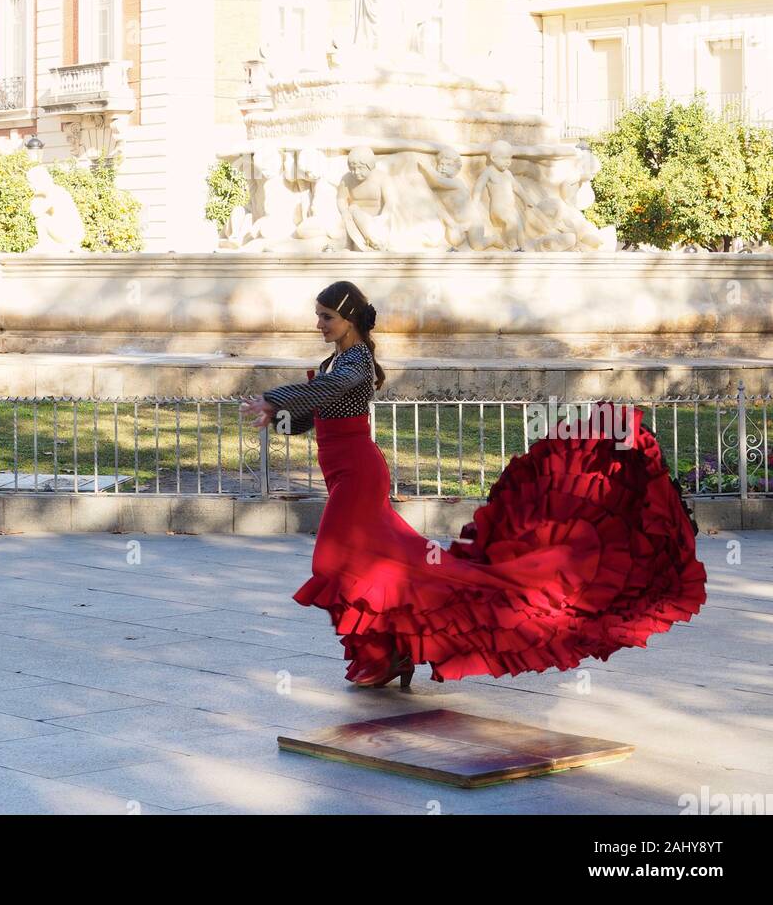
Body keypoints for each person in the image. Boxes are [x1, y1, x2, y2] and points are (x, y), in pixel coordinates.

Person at [241, 281, 707, 689]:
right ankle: (387, 654)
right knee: (376, 563)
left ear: (348, 319)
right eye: (318, 316)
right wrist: (277, 415)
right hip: (344, 471)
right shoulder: (334, 361)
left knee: (332, 561)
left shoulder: (356, 362)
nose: (319, 324)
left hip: (359, 476)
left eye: (326, 317)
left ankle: (397, 647)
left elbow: (326, 394)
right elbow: (315, 413)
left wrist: (272, 396)